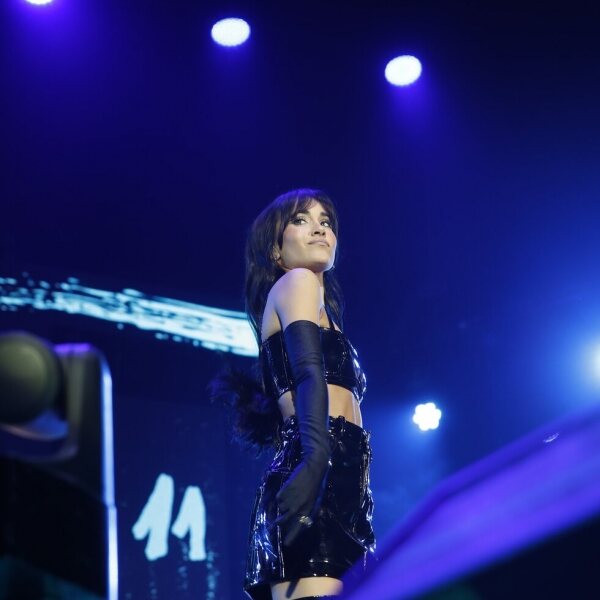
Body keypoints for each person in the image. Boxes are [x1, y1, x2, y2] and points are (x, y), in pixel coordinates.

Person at [212, 189, 375, 600]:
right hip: (315, 467)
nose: (319, 228)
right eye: (301, 220)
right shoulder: (297, 281)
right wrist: (316, 460)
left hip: (342, 480)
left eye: (326, 221)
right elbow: (307, 372)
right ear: (275, 249)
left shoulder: (320, 307)